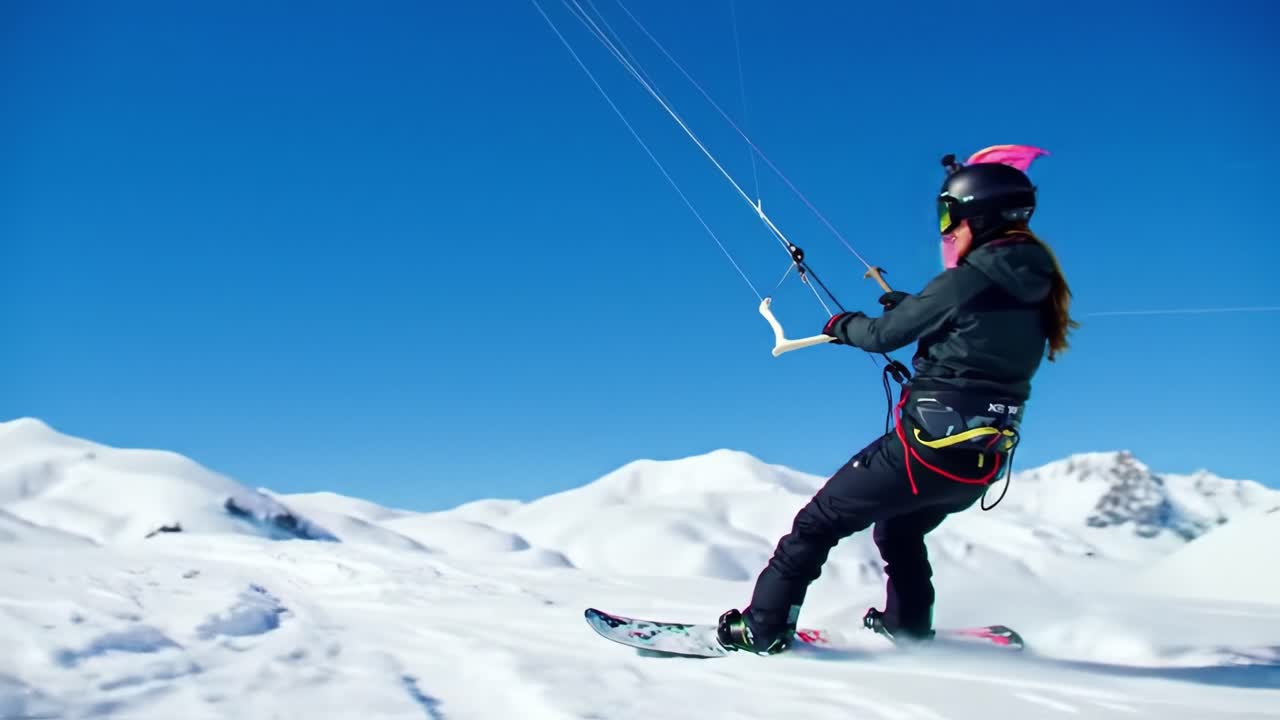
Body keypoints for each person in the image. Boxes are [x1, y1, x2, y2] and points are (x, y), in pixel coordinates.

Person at [716, 153, 1079, 654]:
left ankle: (762, 627)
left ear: (982, 215)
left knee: (815, 525)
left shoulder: (967, 280)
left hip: (922, 454)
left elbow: (882, 335)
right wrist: (916, 306)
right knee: (900, 531)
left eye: (949, 215)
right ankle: (907, 627)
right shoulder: (1036, 292)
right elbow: (972, 332)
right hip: (978, 466)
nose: (946, 230)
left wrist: (841, 326)